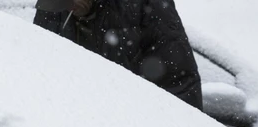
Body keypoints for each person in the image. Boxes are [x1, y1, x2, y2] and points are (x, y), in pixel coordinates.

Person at [34, 0, 203, 109]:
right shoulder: (53, 7)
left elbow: (179, 82)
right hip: (70, 123)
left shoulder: (147, 6)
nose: (67, 6)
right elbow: (36, 68)